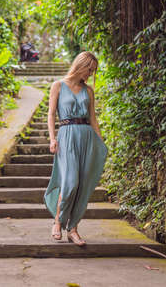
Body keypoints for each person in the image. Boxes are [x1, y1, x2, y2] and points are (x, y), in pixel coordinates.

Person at [43, 51, 108, 247]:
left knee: (83, 185)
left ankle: (73, 229)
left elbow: (93, 118)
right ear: (81, 66)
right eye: (89, 70)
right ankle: (58, 222)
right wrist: (53, 138)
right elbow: (51, 114)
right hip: (67, 136)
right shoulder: (58, 86)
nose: (90, 74)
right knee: (70, 182)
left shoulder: (88, 91)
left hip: (87, 137)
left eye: (93, 71)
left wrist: (100, 141)